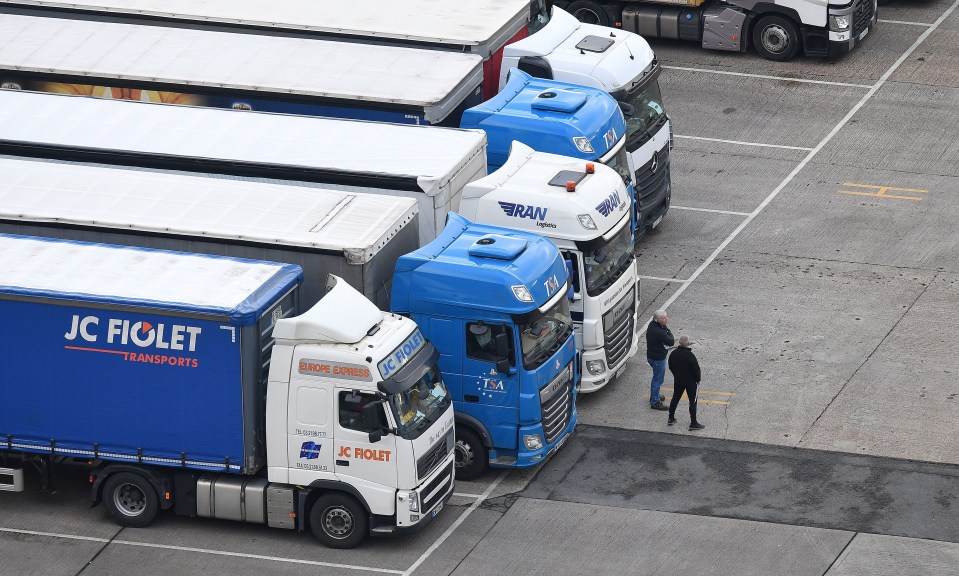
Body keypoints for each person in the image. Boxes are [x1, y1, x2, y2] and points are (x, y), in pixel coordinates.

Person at [667, 335, 704, 431]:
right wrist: (698, 380)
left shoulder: (673, 353)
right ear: (688, 344)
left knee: (675, 398)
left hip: (678, 380)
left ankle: (671, 418)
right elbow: (696, 370)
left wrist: (676, 375)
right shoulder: (690, 356)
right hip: (690, 382)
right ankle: (693, 422)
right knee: (693, 401)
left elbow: (670, 366)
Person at [645, 310, 673, 411]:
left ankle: (654, 395)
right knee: (658, 380)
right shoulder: (660, 332)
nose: (666, 319)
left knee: (656, 378)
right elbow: (671, 341)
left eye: (666, 317)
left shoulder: (652, 325)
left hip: (651, 356)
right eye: (664, 318)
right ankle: (655, 402)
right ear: (658, 320)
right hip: (658, 359)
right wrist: (667, 330)